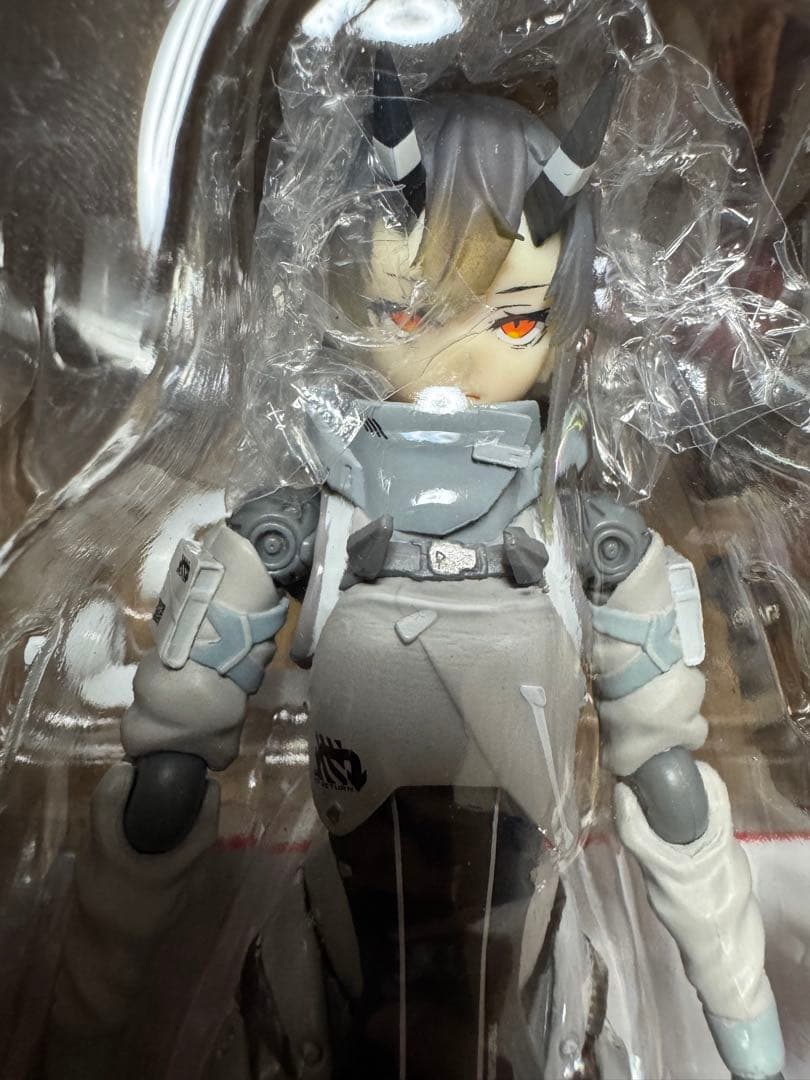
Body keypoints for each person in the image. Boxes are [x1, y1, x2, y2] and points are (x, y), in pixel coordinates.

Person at [52, 49, 785, 1080]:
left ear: (564, 324)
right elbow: (168, 763)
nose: (459, 360)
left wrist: (750, 1032)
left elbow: (669, 785)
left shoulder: (589, 539)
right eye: (409, 311)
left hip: (526, 962)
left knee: (671, 797)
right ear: (348, 298)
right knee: (159, 799)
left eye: (515, 318)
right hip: (335, 959)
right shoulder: (300, 526)